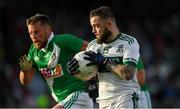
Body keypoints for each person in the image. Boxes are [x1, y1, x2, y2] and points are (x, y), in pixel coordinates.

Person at [68, 6, 141, 108]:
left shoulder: (128, 42)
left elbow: (128, 74)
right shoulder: (93, 46)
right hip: (103, 103)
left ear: (109, 24)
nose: (93, 30)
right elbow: (92, 88)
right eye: (92, 26)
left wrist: (105, 61)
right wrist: (77, 71)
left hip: (126, 99)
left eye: (96, 26)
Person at [18, 13, 93, 109]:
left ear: (48, 29)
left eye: (36, 32)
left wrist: (92, 71)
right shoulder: (33, 51)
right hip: (64, 101)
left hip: (79, 96)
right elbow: (25, 81)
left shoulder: (63, 41)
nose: (33, 36)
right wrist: (24, 70)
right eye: (30, 33)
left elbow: (92, 48)